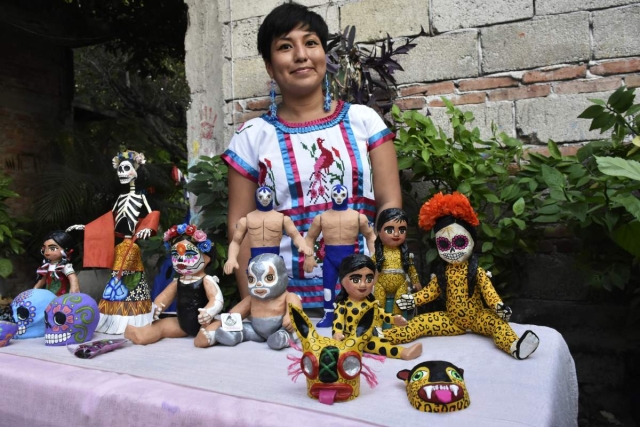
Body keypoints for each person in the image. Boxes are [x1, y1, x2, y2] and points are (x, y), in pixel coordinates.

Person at [221, 2, 401, 309]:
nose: (301, 55)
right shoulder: (251, 137)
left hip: (364, 299)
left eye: (311, 43)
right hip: (283, 305)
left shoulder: (364, 121)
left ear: (324, 56)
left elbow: (390, 207)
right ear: (269, 65)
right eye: (285, 46)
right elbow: (240, 227)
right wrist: (257, 306)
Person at [389, 192, 540, 360]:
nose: (453, 250)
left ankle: (514, 346)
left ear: (472, 241)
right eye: (445, 244)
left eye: (459, 242)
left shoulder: (477, 272)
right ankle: (388, 336)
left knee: (498, 324)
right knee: (419, 322)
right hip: (451, 320)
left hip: (477, 317)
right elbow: (431, 292)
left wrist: (498, 306)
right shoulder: (443, 274)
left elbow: (489, 293)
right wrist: (413, 300)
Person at [67, 149, 160, 334]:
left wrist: (148, 228)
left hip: (132, 245)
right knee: (116, 276)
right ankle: (115, 317)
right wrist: (88, 228)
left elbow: (153, 213)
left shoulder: (141, 197)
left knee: (129, 277)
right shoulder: (119, 199)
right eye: (120, 169)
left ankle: (133, 317)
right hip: (120, 245)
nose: (122, 173)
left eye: (126, 168)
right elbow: (109, 220)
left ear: (135, 171)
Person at [125, 224, 223, 347]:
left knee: (218, 325)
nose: (180, 260)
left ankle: (207, 336)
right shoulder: (178, 281)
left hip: (204, 323)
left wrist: (209, 311)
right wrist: (157, 307)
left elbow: (217, 298)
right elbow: (165, 296)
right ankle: (140, 334)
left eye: (188, 255)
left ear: (206, 258)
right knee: (160, 326)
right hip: (181, 323)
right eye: (176, 256)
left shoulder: (207, 280)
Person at [303, 184, 375, 327]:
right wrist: (309, 256)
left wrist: (374, 255)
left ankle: (350, 314)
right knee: (328, 287)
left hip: (349, 259)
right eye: (336, 195)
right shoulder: (322, 218)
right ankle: (329, 314)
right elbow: (310, 238)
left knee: (350, 288)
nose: (339, 198)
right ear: (331, 196)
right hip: (330, 258)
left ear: (346, 195)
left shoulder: (358, 217)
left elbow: (370, 236)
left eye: (342, 195)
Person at [332, 253, 422, 360]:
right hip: (348, 338)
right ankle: (349, 352)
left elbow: (381, 314)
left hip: (368, 338)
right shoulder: (343, 304)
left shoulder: (372, 304)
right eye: (356, 280)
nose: (363, 285)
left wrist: (394, 319)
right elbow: (337, 321)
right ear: (342, 281)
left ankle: (404, 352)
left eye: (369, 279)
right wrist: (337, 333)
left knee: (383, 345)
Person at [214, 253, 301, 350]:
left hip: (282, 328)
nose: (258, 284)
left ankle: (282, 339)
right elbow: (235, 313)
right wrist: (226, 322)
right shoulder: (252, 299)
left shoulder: (289, 296)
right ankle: (233, 335)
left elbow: (295, 310)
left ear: (283, 277)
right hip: (256, 331)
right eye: (252, 279)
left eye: (268, 278)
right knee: (244, 328)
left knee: (292, 331)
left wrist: (291, 317)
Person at [223, 186, 313, 275]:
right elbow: (236, 242)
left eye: (268, 196)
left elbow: (296, 236)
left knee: (277, 286)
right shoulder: (246, 220)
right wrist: (231, 258)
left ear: (271, 197)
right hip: (255, 260)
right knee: (256, 287)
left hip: (275, 259)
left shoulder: (282, 218)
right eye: (261, 197)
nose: (265, 199)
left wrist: (303, 245)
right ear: (256, 197)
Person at [372, 208, 421, 322]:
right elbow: (370, 268)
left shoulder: (405, 254)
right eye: (389, 230)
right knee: (378, 304)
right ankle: (377, 326)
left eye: (402, 230)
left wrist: (415, 281)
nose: (396, 234)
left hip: (401, 285)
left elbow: (411, 269)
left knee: (399, 304)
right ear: (379, 231)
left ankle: (396, 327)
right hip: (381, 284)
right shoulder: (379, 254)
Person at [33, 230, 80, 296]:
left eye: (52, 249)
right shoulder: (47, 266)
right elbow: (43, 279)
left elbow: (73, 278)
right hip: (48, 296)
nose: (47, 252)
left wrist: (74, 290)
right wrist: (35, 289)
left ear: (66, 250)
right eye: (45, 248)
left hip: (61, 297)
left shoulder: (64, 266)